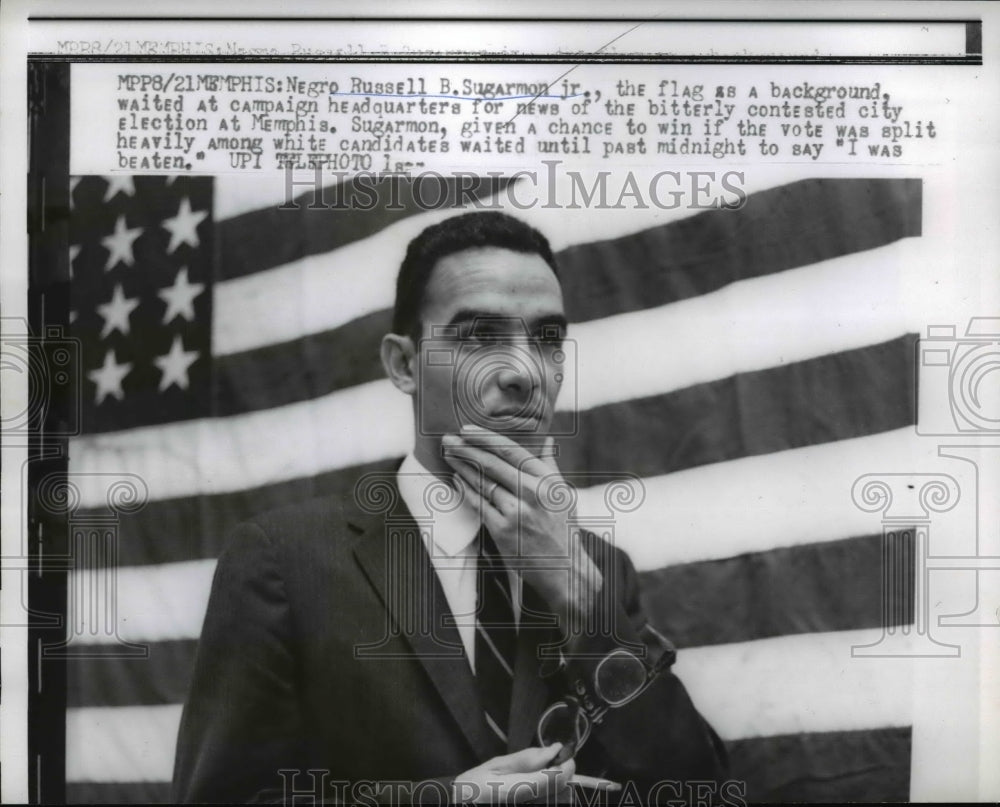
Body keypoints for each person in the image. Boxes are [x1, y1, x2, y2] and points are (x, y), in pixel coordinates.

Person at [173, 211, 728, 804]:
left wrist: (583, 605)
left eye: (546, 338)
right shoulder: (285, 559)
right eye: (479, 336)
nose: (522, 372)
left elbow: (698, 790)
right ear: (404, 364)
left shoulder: (598, 569)